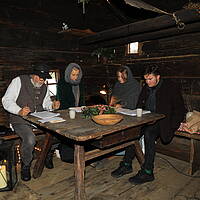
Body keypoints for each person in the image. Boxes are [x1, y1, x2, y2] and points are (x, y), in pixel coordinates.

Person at [111, 65, 186, 184]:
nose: (147, 82)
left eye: (150, 79)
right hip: (146, 118)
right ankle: (126, 164)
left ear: (158, 77)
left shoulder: (170, 88)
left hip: (162, 120)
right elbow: (139, 105)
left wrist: (174, 125)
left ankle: (147, 172)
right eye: (146, 79)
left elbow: (180, 109)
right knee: (132, 133)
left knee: (149, 134)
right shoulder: (146, 87)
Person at [1, 64, 60, 181]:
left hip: (39, 119)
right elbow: (6, 100)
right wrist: (19, 110)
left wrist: (52, 105)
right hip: (20, 120)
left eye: (44, 78)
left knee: (59, 131)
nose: (42, 80)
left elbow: (45, 104)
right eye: (39, 77)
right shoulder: (19, 81)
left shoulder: (44, 87)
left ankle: (47, 155)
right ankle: (26, 165)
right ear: (33, 75)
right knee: (30, 139)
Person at [44, 63, 85, 168]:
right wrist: (73, 111)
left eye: (77, 75)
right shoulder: (62, 84)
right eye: (73, 74)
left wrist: (82, 109)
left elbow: (81, 100)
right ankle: (56, 151)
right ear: (68, 74)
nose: (75, 77)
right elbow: (62, 102)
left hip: (78, 113)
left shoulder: (80, 83)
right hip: (65, 113)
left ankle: (79, 153)